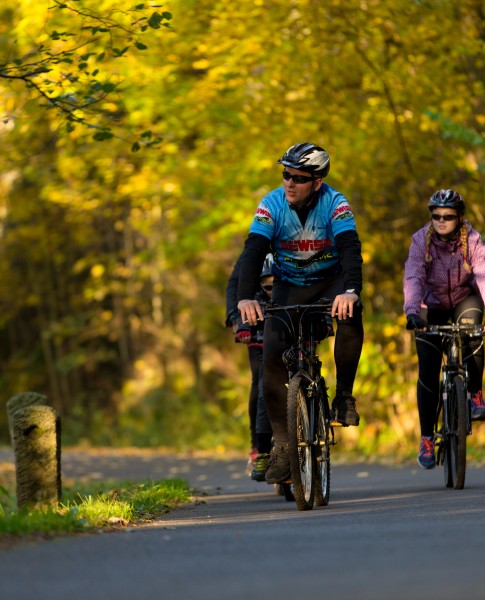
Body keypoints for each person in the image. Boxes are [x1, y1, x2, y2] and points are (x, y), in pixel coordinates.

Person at [237, 142, 364, 485]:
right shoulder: (272, 204)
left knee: (352, 313)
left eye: (298, 178)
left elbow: (351, 247)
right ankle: (280, 445)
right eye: (285, 175)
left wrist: (350, 290)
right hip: (289, 284)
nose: (289, 183)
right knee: (272, 357)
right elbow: (253, 251)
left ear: (317, 182)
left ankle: (344, 397)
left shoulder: (336, 204)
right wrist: (245, 297)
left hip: (330, 281)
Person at [403, 189, 485, 469]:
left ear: (459, 218)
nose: (441, 221)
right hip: (430, 305)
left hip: (464, 299)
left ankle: (475, 393)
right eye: (436, 216)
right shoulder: (420, 241)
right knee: (427, 369)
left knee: (473, 330)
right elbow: (413, 276)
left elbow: (483, 274)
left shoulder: (472, 239)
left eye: (448, 217)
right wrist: (412, 311)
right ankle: (427, 437)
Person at [226, 254, 274, 481]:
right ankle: (257, 444)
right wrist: (237, 319)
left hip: (286, 321)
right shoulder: (254, 249)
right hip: (256, 327)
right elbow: (235, 284)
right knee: (260, 381)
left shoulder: (298, 243)